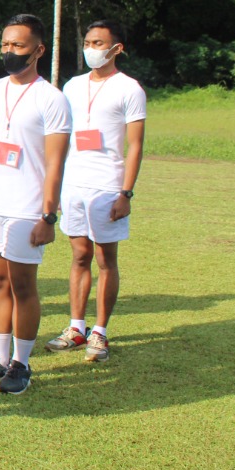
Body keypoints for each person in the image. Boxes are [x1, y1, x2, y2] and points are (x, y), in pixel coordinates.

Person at [0, 14, 71, 395]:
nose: (9, 52)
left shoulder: (52, 99)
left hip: (27, 208)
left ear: (38, 50)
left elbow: (56, 161)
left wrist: (48, 215)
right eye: (5, 45)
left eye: (18, 46)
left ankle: (22, 363)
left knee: (22, 286)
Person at [46, 19, 146, 362]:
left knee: (105, 259)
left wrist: (125, 193)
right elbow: (61, 137)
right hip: (74, 184)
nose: (92, 48)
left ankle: (100, 332)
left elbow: (135, 146)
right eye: (88, 42)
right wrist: (56, 186)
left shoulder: (129, 89)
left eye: (99, 43)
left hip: (107, 186)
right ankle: (76, 327)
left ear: (117, 48)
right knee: (78, 256)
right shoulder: (72, 86)